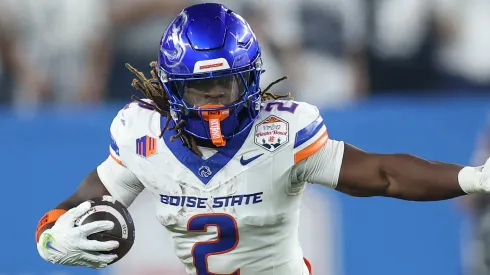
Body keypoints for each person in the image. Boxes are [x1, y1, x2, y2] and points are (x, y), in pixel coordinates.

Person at [35, 3, 490, 275]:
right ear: (173, 89)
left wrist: (471, 177)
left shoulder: (282, 132)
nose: (215, 100)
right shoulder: (141, 135)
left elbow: (383, 174)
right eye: (200, 89)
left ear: (251, 81)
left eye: (226, 85)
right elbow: (82, 199)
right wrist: (50, 239)